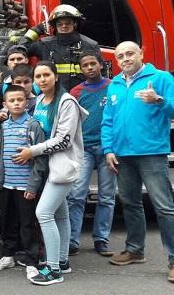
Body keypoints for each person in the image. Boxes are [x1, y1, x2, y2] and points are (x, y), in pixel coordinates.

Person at [102, 41, 174, 283]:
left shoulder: (161, 78)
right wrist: (108, 149)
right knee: (131, 203)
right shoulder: (115, 84)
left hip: (152, 153)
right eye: (120, 55)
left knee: (164, 207)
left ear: (142, 53)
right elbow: (108, 120)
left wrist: (159, 101)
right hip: (122, 155)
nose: (125, 58)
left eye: (130, 53)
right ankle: (135, 250)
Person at [13, 61, 88, 286]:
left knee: (43, 213)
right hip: (48, 166)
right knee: (60, 215)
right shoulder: (40, 102)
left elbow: (64, 139)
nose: (42, 79)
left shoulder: (66, 102)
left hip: (62, 167)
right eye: (38, 76)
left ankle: (54, 270)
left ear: (55, 77)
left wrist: (31, 151)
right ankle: (62, 260)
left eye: (46, 75)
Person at [0, 85, 47, 272]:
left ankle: (32, 259)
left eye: (19, 100)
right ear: (5, 104)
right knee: (7, 222)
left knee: (28, 224)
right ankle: (8, 255)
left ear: (27, 102)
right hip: (6, 185)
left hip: (25, 186)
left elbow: (40, 159)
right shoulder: (4, 126)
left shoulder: (33, 125)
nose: (16, 103)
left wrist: (33, 186)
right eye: (11, 100)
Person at [67, 52, 115, 257]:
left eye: (93, 63)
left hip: (108, 149)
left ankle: (101, 239)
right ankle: (71, 240)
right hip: (84, 149)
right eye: (85, 65)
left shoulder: (114, 87)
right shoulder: (76, 92)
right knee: (77, 195)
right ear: (81, 69)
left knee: (107, 197)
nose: (89, 68)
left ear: (101, 65)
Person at [20, 4, 101, 91]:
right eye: (60, 24)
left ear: (75, 24)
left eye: (68, 23)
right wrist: (36, 30)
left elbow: (102, 73)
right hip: (53, 96)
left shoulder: (90, 45)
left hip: (83, 96)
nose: (64, 26)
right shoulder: (45, 44)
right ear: (55, 25)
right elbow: (20, 50)